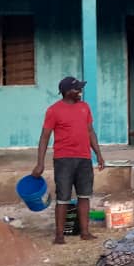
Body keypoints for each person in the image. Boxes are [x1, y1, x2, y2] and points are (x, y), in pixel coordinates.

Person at [32, 76, 105, 244]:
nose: (80, 91)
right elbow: (44, 137)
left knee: (84, 196)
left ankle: (85, 232)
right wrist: (40, 163)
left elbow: (90, 131)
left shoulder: (84, 107)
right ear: (66, 92)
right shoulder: (53, 110)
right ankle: (59, 235)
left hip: (84, 158)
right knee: (63, 197)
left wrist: (98, 154)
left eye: (80, 88)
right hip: (63, 159)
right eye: (76, 89)